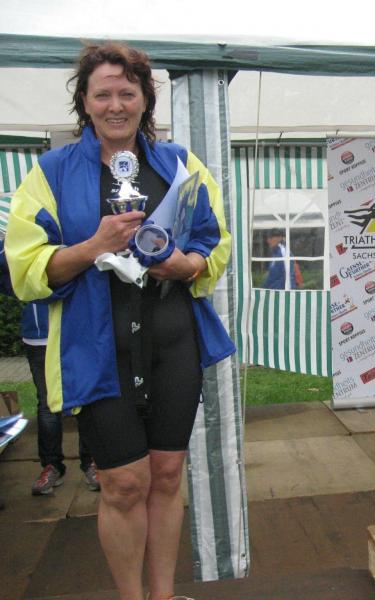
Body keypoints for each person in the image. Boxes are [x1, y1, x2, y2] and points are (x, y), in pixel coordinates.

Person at [5, 41, 234, 600]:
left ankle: (163, 595)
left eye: (127, 93)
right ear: (84, 102)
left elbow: (215, 241)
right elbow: (24, 270)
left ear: (145, 100)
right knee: (124, 484)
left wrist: (186, 265)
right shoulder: (51, 172)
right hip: (96, 347)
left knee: (166, 475)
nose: (115, 105)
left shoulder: (180, 164)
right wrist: (93, 246)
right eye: (102, 94)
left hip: (172, 340)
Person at [23, 301, 100, 495]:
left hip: (77, 332)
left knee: (85, 400)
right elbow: (11, 285)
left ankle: (91, 462)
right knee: (47, 406)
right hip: (39, 338)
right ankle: (51, 466)